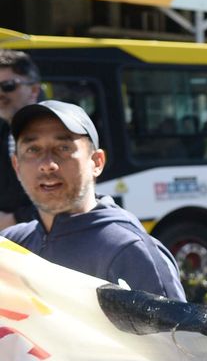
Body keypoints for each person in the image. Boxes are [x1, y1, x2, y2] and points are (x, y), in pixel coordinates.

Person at [2, 101, 184, 300]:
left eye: (63, 147)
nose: (47, 164)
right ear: (16, 166)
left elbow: (172, 322)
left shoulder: (131, 251)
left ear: (97, 162)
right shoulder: (11, 246)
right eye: (33, 150)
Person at [0, 50, 42, 229]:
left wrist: (15, 218)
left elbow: (69, 194)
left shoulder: (57, 131)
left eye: (8, 86)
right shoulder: (4, 130)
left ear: (34, 90)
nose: (0, 94)